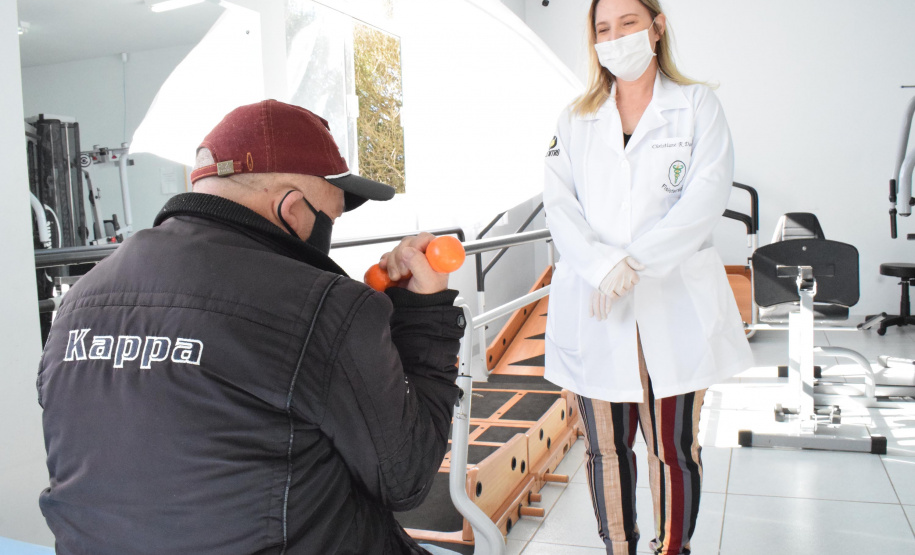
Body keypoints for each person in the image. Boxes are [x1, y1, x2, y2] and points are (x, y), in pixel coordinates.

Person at [37, 100, 465, 555]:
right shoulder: (326, 306)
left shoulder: (80, 299)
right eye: (330, 220)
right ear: (292, 209)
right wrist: (424, 313)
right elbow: (408, 477)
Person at [542, 1, 752, 554]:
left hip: (672, 301)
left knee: (673, 448)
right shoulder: (575, 117)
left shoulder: (695, 105)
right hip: (598, 305)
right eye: (603, 29)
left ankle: (671, 549)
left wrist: (634, 263)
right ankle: (620, 548)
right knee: (605, 449)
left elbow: (706, 196)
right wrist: (601, 265)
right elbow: (559, 205)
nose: (615, 38)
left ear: (656, 27)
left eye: (628, 23)